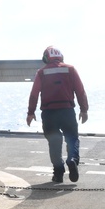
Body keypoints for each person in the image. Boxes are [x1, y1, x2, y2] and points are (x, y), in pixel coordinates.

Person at [26, 46, 89, 183]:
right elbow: (80, 91)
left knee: (54, 143)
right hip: (67, 111)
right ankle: (72, 159)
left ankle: (58, 173)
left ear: (45, 58)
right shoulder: (70, 69)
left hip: (49, 114)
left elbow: (34, 94)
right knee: (72, 138)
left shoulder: (41, 72)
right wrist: (84, 110)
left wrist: (31, 113)